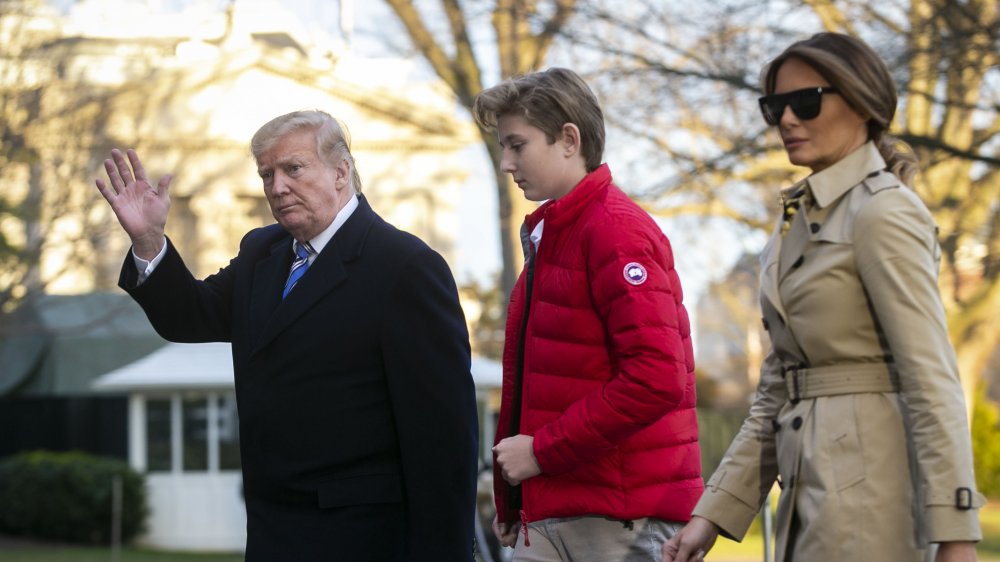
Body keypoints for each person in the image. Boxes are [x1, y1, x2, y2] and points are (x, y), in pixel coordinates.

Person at [95, 110, 479, 561]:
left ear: (341, 172)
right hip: (272, 531)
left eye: (293, 169)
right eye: (266, 174)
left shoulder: (404, 266)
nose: (277, 188)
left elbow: (443, 437)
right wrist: (149, 241)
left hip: (366, 538)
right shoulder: (263, 251)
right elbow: (191, 317)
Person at [662, 32, 985, 562]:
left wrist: (955, 534)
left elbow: (933, 378)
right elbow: (776, 387)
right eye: (775, 106)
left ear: (861, 102)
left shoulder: (884, 212)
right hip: (808, 491)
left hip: (873, 493)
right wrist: (711, 515)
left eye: (806, 101)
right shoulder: (797, 224)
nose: (787, 119)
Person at [473, 67, 703, 562]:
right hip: (558, 511)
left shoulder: (615, 233)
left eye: (517, 145)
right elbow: (546, 384)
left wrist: (539, 453)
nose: (506, 163)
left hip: (622, 520)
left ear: (568, 139)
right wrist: (515, 499)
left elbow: (657, 378)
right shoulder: (553, 236)